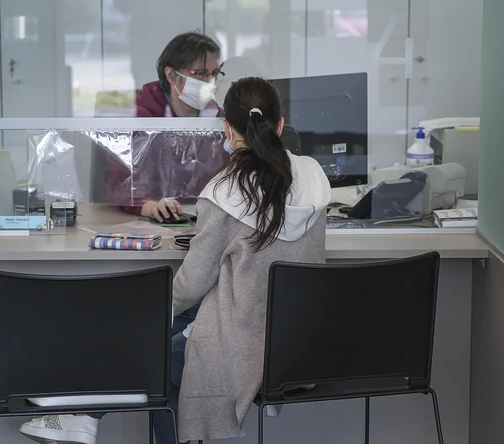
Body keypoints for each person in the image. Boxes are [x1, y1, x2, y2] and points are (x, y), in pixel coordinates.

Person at [18, 76, 331, 444]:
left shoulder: (226, 192)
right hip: (295, 346)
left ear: (226, 129)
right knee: (159, 330)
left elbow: (193, 284)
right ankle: (80, 409)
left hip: (242, 351)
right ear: (280, 126)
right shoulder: (314, 176)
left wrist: (151, 313)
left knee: (152, 345)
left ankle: (82, 406)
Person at [105, 31, 226, 222]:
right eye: (200, 73)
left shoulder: (219, 119)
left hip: (205, 222)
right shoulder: (140, 119)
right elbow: (121, 183)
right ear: (171, 75)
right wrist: (150, 206)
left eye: (214, 74)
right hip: (153, 223)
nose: (209, 81)